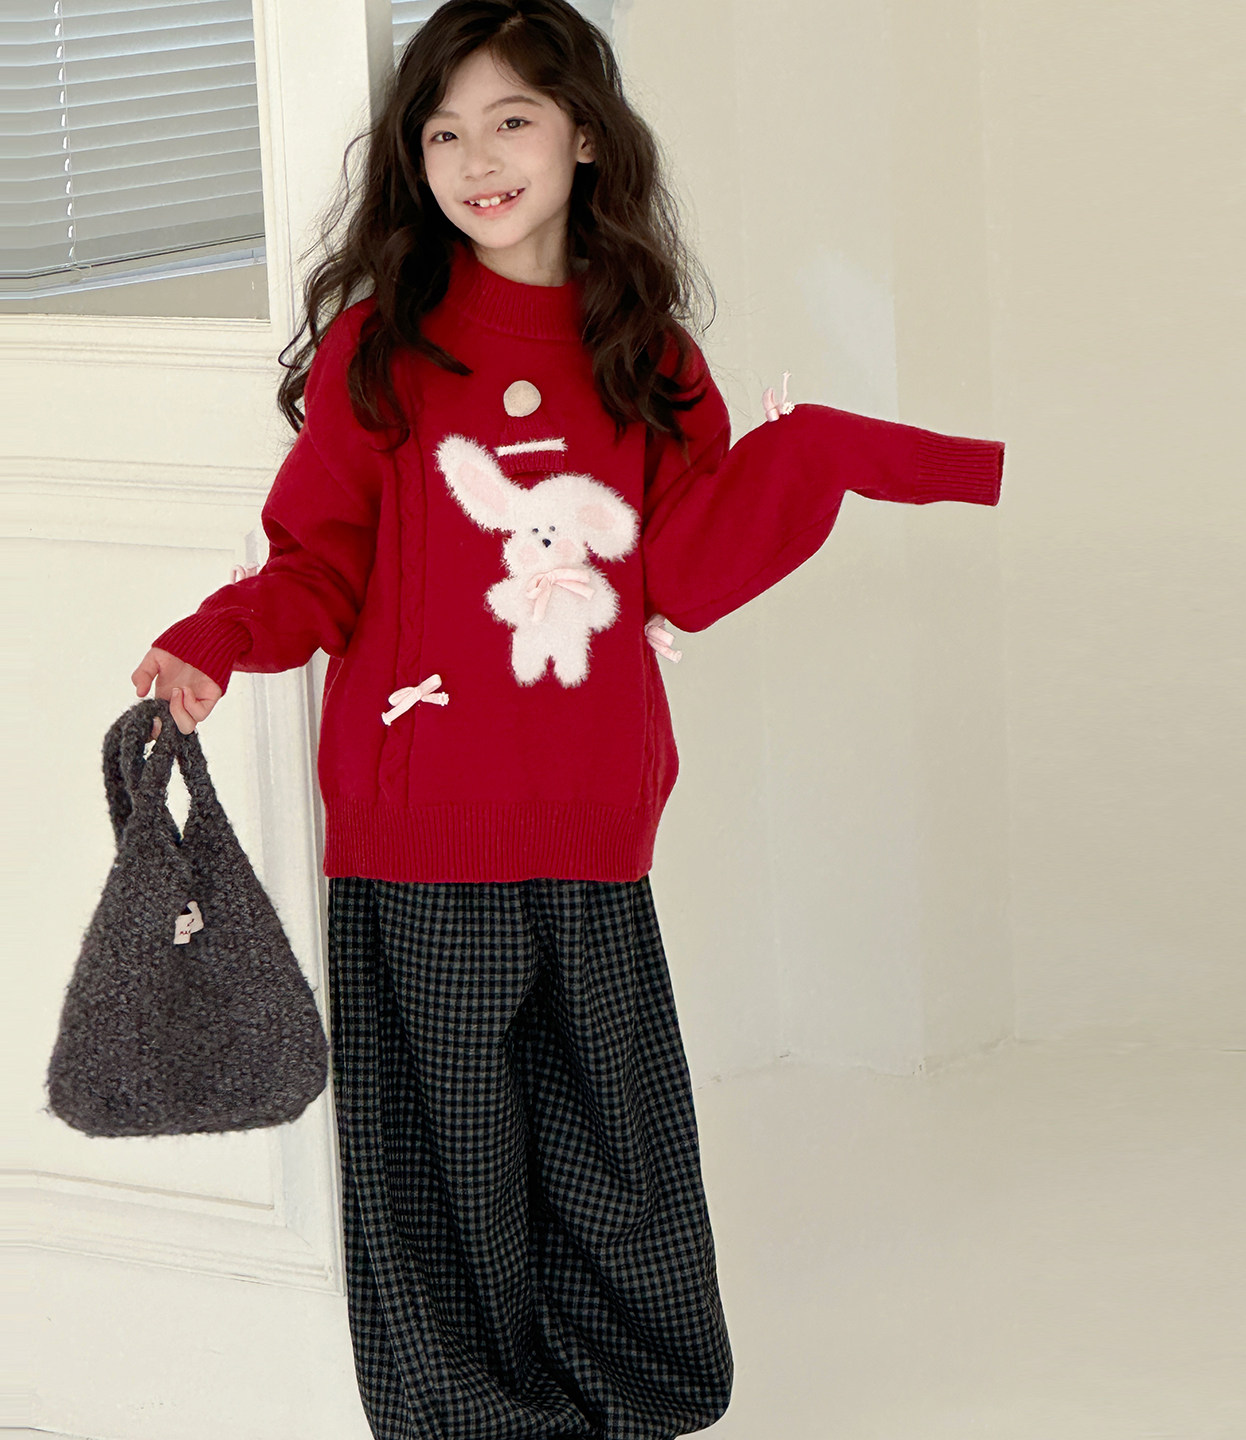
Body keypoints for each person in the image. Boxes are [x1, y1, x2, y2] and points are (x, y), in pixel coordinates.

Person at [131, 3, 1005, 1435]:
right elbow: (316, 565)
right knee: (448, 1168)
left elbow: (686, 572)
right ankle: (475, 1420)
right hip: (419, 835)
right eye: (443, 132)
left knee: (616, 1152)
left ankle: (631, 1400)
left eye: (513, 121)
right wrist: (216, 643)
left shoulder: (647, 354)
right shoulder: (381, 354)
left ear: (586, 137)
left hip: (593, 819)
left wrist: (821, 459)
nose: (477, 159)